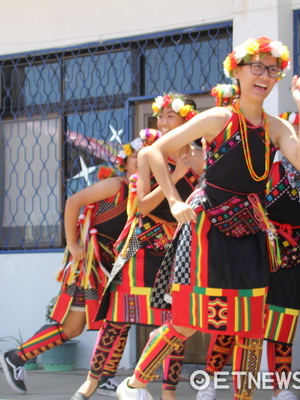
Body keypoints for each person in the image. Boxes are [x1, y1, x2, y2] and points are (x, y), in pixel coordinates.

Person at [116, 37, 300, 400]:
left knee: (251, 324)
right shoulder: (218, 117)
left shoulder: (274, 127)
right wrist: (175, 201)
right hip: (206, 227)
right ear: (237, 71)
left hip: (253, 228)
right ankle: (134, 384)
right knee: (187, 320)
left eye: (272, 70)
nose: (265, 76)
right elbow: (155, 151)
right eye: (256, 67)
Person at [197, 112, 300, 400]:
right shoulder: (262, 169)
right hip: (254, 252)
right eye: (295, 134)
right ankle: (210, 380)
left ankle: (280, 389)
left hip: (291, 258)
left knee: (282, 323)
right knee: (234, 320)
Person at [72, 94, 202, 400]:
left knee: (176, 321)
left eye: (171, 116)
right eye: (161, 116)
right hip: (140, 242)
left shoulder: (202, 157)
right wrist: (175, 177)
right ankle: (90, 385)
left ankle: (168, 392)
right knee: (117, 319)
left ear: (188, 120)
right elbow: (142, 206)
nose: (164, 122)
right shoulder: (148, 154)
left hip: (177, 247)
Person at [0, 138, 139, 395]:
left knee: (119, 319)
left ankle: (106, 376)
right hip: (89, 267)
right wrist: (73, 243)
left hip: (114, 267)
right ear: (125, 162)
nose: (141, 163)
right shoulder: (115, 185)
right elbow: (73, 202)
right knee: (72, 326)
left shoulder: (144, 195)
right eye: (136, 157)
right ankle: (16, 357)